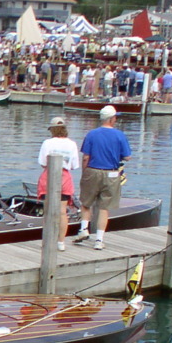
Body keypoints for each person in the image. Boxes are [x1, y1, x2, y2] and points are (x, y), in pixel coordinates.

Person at [75, 105, 132, 251]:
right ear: (112, 119)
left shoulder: (92, 134)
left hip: (92, 170)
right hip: (111, 173)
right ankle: (99, 240)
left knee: (86, 202)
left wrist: (84, 172)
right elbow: (127, 156)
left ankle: (83, 229)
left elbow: (86, 156)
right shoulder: (120, 135)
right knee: (104, 208)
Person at [36, 116, 80, 251]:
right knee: (62, 212)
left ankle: (48, 240)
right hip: (64, 178)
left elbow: (42, 162)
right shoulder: (72, 144)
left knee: (48, 211)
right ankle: (61, 242)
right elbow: (74, 165)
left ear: (52, 130)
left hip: (49, 176)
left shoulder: (47, 143)